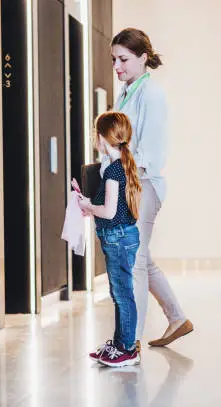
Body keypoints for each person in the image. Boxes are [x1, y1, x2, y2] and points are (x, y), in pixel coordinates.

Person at [110, 28, 193, 347]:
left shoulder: (151, 94)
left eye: (124, 59)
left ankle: (129, 342)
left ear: (144, 57)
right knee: (142, 258)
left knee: (133, 262)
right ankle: (177, 318)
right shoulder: (127, 91)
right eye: (114, 59)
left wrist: (122, 171)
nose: (117, 66)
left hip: (142, 185)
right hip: (129, 184)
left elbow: (152, 154)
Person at [78, 112, 142, 367]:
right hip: (120, 237)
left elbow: (109, 211)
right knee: (120, 293)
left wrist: (88, 205)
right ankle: (120, 344)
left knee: (122, 294)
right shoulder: (118, 165)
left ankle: (127, 349)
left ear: (102, 138)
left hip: (118, 238)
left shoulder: (114, 170)